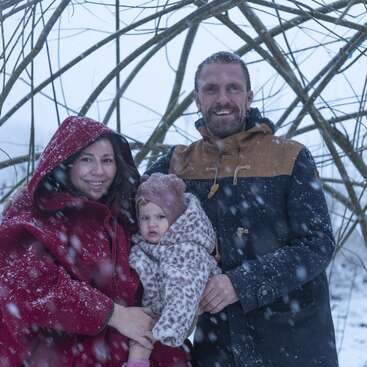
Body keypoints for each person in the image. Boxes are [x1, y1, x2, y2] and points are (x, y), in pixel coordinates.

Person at [146, 51, 339, 367]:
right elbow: (122, 206)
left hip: (294, 342)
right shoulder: (177, 164)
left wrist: (240, 283)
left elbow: (317, 245)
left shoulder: (291, 157)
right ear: (197, 98)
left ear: (248, 97)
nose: (222, 98)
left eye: (233, 88)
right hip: (217, 344)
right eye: (211, 89)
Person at [0, 116, 189, 366]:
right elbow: (27, 284)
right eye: (87, 159)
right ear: (67, 163)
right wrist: (114, 314)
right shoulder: (37, 213)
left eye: (107, 160)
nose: (99, 171)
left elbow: (144, 290)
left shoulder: (123, 218)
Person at [126, 173, 220, 367]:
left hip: (177, 315)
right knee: (139, 342)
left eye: (161, 217)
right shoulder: (146, 245)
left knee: (144, 341)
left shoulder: (186, 250)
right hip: (155, 311)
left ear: (175, 219)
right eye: (145, 218)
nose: (152, 224)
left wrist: (171, 327)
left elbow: (184, 290)